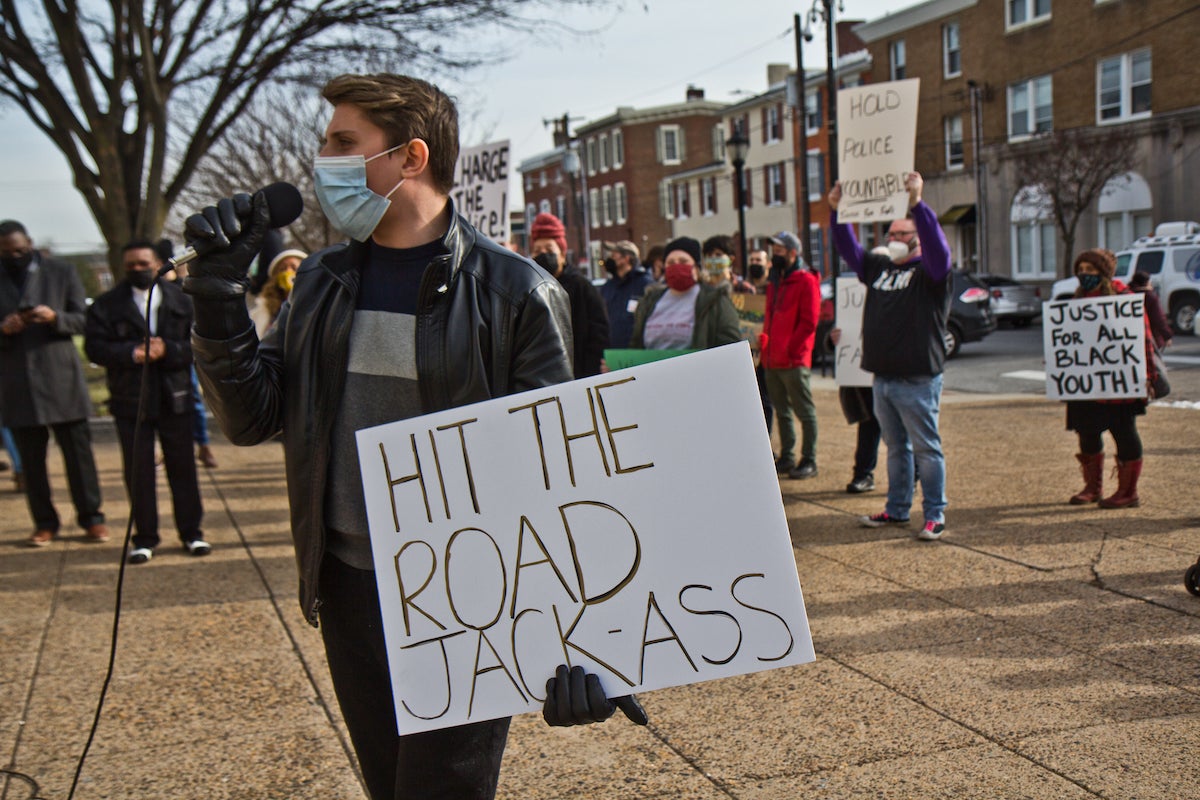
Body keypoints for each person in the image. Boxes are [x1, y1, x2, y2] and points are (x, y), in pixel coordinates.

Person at [182, 73, 640, 800]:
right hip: (349, 587)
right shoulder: (325, 282)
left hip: (466, 600)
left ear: (410, 157)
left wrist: (588, 645)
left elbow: (560, 477)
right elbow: (252, 416)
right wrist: (214, 304)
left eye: (342, 142)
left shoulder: (516, 292)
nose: (321, 159)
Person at [829, 172, 952, 541]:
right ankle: (897, 509)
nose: (894, 239)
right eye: (891, 234)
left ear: (917, 239)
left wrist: (917, 203)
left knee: (926, 449)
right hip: (882, 378)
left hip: (917, 378)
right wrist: (837, 212)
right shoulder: (880, 268)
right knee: (896, 448)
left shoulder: (932, 274)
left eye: (902, 234)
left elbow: (939, 249)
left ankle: (934, 514)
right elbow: (848, 249)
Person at [84, 242, 208, 564]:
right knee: (138, 471)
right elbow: (94, 348)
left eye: (143, 263)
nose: (137, 270)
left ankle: (192, 533)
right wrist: (131, 353)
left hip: (174, 397)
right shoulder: (106, 305)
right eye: (130, 265)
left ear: (157, 264)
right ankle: (145, 537)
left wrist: (168, 350)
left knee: (183, 467)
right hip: (131, 399)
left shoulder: (184, 299)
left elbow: (201, 343)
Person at [0, 220, 108, 547]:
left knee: (79, 456)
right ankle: (44, 522)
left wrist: (54, 318)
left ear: (30, 243)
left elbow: (86, 319)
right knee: (31, 462)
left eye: (19, 250)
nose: (14, 256)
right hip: (17, 382)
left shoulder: (61, 271)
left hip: (61, 378)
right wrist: (4, 328)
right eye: (6, 252)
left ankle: (92, 518)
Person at [1065, 249, 1157, 509]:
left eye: (1090, 270)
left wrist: (1148, 375)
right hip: (1086, 386)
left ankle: (1128, 492)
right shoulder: (1076, 300)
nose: (1084, 275)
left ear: (1103, 273)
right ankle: (1092, 487)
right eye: (1081, 269)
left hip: (1120, 385)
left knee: (1124, 433)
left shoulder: (1124, 298)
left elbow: (1143, 339)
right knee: (1087, 433)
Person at [760, 231, 820, 480]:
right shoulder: (775, 282)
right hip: (772, 359)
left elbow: (809, 322)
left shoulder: (806, 281)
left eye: (780, 250)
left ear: (793, 253)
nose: (776, 254)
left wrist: (791, 349)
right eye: (774, 250)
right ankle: (788, 455)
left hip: (793, 359)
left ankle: (809, 459)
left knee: (804, 411)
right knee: (782, 409)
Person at [158, 237, 220, 469]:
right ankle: (167, 450)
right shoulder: (154, 287)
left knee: (193, 401)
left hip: (183, 355)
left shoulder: (182, 288)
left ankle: (203, 445)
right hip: (161, 357)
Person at [528, 212, 610, 378]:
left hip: (578, 373)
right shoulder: (529, 289)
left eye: (549, 249)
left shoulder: (581, 286)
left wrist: (589, 373)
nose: (543, 254)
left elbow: (598, 333)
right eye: (537, 250)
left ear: (563, 253)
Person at [629, 237, 741, 351]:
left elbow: (730, 344)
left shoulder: (715, 301)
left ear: (696, 268)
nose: (676, 266)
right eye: (670, 262)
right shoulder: (649, 301)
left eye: (683, 262)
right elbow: (636, 343)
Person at [599, 239, 653, 349]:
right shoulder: (608, 287)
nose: (610, 259)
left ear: (627, 258)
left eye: (614, 255)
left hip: (636, 351)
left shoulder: (644, 283)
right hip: (612, 351)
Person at [251, 248, 306, 338]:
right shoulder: (263, 309)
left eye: (294, 267)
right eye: (282, 269)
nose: (288, 272)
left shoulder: (314, 305)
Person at [1128, 271, 1173, 350]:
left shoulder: (1127, 295)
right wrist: (1166, 336)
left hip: (1131, 337)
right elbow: (1159, 319)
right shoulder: (1150, 297)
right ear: (1147, 283)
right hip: (1150, 337)